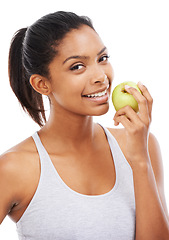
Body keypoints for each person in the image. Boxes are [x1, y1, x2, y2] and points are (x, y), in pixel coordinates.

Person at [0, 11, 169, 240]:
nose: (101, 76)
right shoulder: (14, 167)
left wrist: (140, 160)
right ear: (42, 84)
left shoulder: (143, 145)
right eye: (77, 66)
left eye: (102, 58)